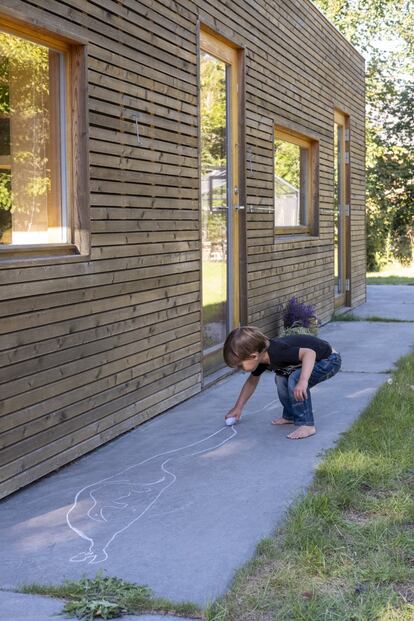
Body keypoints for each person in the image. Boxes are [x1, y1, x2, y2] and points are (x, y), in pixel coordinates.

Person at [223, 326, 341, 439]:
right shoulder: (262, 358)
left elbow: (309, 353)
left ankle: (307, 425)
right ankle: (290, 415)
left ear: (253, 356)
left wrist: (303, 381)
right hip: (316, 360)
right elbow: (251, 382)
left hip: (329, 360)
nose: (239, 368)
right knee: (281, 378)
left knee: (295, 379)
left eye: (240, 365)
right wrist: (238, 407)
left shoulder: (278, 352)